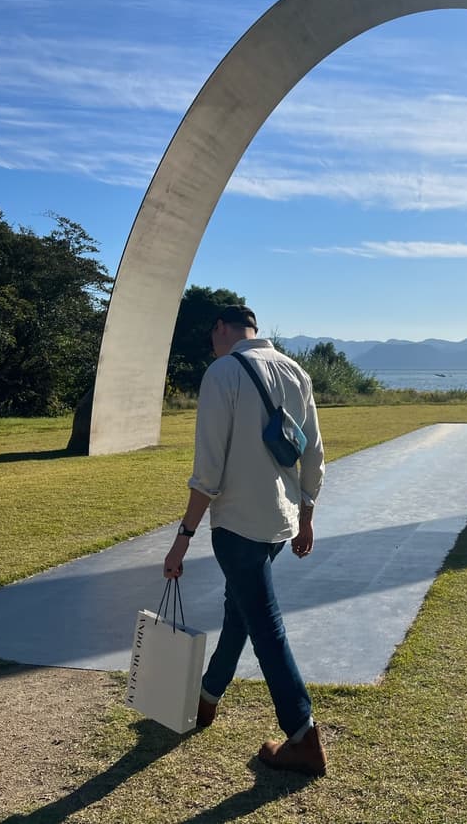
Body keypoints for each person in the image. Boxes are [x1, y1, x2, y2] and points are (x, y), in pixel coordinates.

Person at [163, 303, 327, 776]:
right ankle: (208, 699)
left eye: (211, 335)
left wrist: (182, 539)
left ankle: (303, 737)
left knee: (265, 626)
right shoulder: (296, 371)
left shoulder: (222, 373)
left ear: (221, 329)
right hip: (281, 520)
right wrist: (307, 517)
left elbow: (208, 471)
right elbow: (312, 453)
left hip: (237, 525)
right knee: (241, 610)